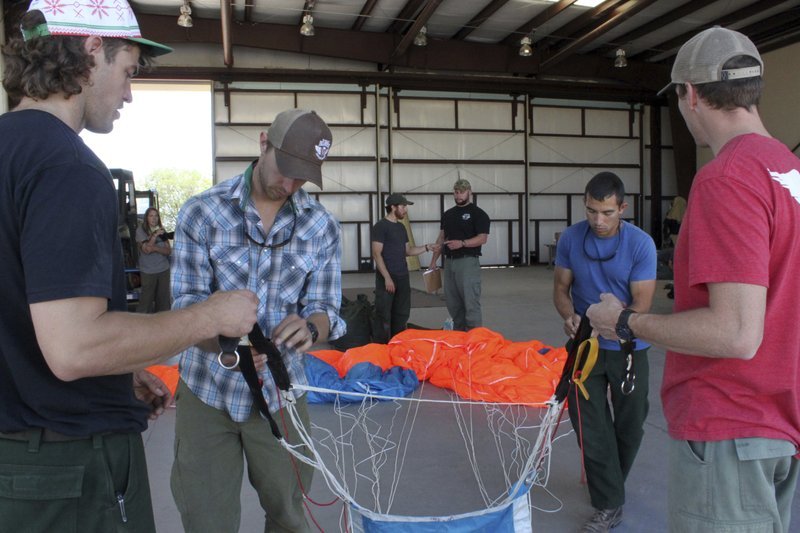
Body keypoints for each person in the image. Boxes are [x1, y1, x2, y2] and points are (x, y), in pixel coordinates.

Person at [0, 2, 258, 531]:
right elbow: (74, 347)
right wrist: (210, 316)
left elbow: (26, 312)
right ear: (93, 49)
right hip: (69, 470)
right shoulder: (68, 167)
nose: (129, 93)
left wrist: (123, 365)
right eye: (128, 70)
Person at [587, 27, 800, 533]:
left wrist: (625, 322)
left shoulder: (728, 177)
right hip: (777, 425)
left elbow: (735, 333)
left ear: (692, 94)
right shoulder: (788, 172)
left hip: (728, 428)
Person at [170, 109, 345, 533]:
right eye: (285, 170)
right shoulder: (202, 214)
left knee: (288, 514)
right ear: (264, 143)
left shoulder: (320, 226)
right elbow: (185, 305)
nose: (289, 185)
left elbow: (326, 307)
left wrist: (311, 327)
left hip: (281, 397)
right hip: (207, 392)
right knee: (206, 518)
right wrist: (231, 348)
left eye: (302, 178)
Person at [552, 172, 657, 532]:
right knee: (590, 425)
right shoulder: (570, 238)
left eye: (607, 212)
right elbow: (561, 289)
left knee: (631, 424)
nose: (598, 220)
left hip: (628, 347)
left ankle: (609, 480)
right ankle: (609, 503)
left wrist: (613, 319)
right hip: (584, 346)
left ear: (622, 208)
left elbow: (641, 305)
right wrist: (569, 316)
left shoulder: (641, 245)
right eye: (591, 211)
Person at [371, 193, 438, 343]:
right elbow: (376, 254)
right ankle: (380, 347)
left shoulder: (401, 228)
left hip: (402, 277)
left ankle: (397, 344)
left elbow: (408, 251)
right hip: (387, 279)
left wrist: (427, 247)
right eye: (403, 206)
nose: (405, 210)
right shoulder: (380, 227)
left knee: (401, 314)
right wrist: (387, 278)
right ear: (393, 207)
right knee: (383, 315)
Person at [429, 178, 490, 331]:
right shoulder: (448, 215)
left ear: (469, 192)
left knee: (470, 302)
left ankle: (475, 338)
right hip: (449, 263)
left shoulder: (478, 214)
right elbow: (441, 238)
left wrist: (462, 243)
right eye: (456, 192)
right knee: (452, 301)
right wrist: (433, 261)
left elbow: (482, 238)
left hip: (468, 262)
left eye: (462, 192)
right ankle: (459, 335)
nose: (459, 195)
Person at [136, 207, 171, 313]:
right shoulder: (140, 231)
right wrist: (155, 235)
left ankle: (163, 325)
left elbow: (168, 250)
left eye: (156, 216)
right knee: (146, 302)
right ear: (146, 218)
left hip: (163, 269)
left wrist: (155, 248)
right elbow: (147, 249)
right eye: (151, 216)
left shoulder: (162, 230)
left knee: (164, 302)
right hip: (148, 271)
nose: (154, 218)